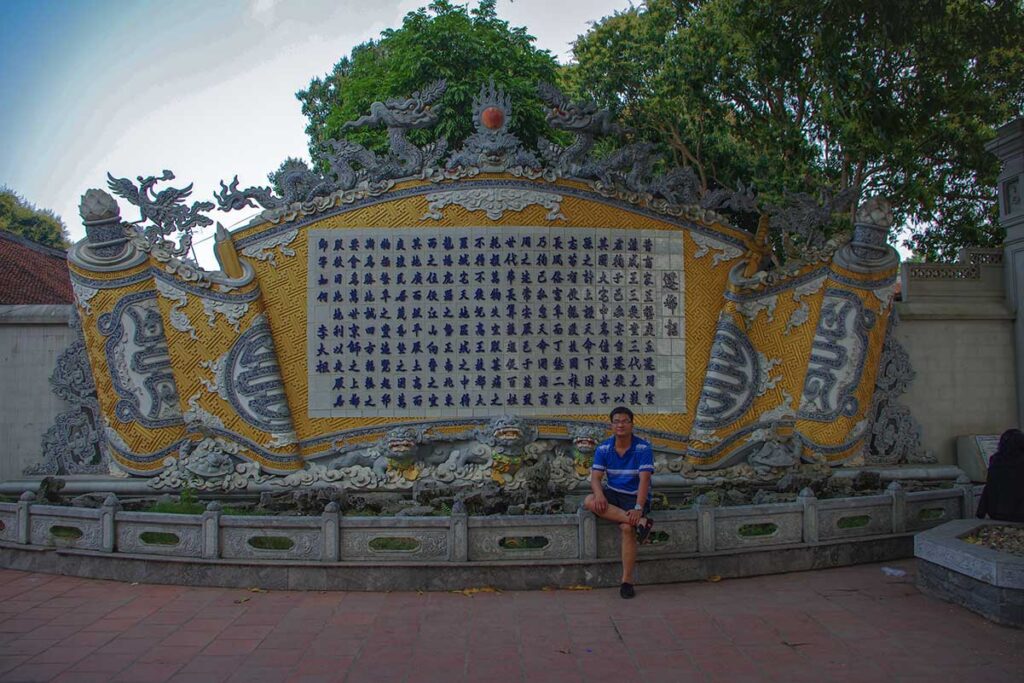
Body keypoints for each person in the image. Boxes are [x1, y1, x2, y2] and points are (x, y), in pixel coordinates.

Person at [584, 406, 655, 599]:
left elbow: (644, 480)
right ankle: (640, 523)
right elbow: (596, 478)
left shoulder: (643, 448)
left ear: (632, 424)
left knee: (626, 528)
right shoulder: (604, 448)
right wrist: (599, 495)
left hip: (635, 496)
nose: (620, 425)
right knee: (589, 500)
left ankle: (626, 581)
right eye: (617, 421)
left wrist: (638, 508)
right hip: (614, 493)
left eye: (625, 421)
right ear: (611, 425)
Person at [976, 428, 1024, 523]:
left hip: (997, 512)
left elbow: (990, 486)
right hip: (1020, 513)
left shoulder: (996, 459)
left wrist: (981, 511)